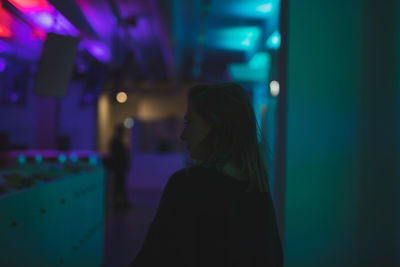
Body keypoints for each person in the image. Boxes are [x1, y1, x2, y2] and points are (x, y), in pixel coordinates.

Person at [130, 82, 283, 266]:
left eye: (189, 122)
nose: (183, 135)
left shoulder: (188, 185)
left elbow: (152, 258)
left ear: (215, 125)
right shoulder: (260, 191)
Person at [108, 124, 131, 209]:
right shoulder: (116, 141)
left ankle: (120, 203)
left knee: (119, 185)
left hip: (120, 167)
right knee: (118, 186)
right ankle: (118, 203)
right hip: (118, 167)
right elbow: (117, 155)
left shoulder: (117, 141)